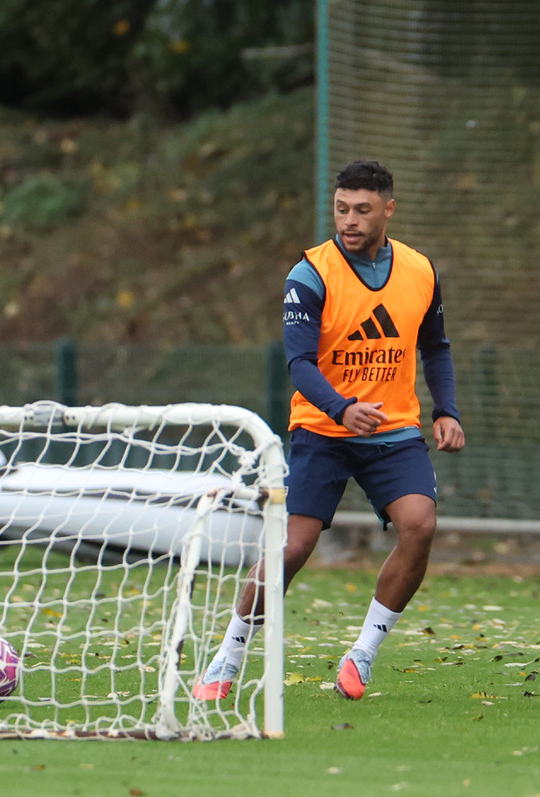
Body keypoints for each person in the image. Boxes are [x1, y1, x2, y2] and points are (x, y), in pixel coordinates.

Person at [193, 159, 465, 702]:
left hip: (392, 433)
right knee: (293, 548)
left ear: (388, 208)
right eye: (341, 209)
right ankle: (229, 654)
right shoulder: (310, 274)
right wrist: (341, 409)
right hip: (322, 429)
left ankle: (362, 654)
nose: (349, 220)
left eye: (362, 210)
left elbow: (434, 346)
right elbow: (300, 365)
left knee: (420, 524)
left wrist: (446, 410)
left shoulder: (420, 270)